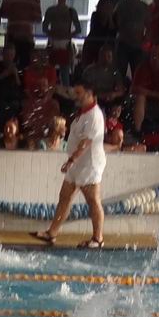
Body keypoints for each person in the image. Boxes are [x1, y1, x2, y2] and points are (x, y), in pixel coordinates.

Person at [36, 82, 106, 249]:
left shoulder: (94, 116)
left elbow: (85, 143)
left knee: (93, 201)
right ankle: (52, 233)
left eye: (79, 93)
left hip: (89, 165)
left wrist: (71, 160)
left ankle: (98, 239)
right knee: (65, 197)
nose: (76, 96)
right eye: (76, 93)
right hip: (77, 164)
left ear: (90, 94)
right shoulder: (82, 113)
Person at [2, 0, 42, 66]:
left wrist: (27, 14)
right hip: (12, 35)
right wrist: (16, 12)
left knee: (26, 64)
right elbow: (3, 13)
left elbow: (39, 18)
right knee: (9, 64)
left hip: (27, 37)